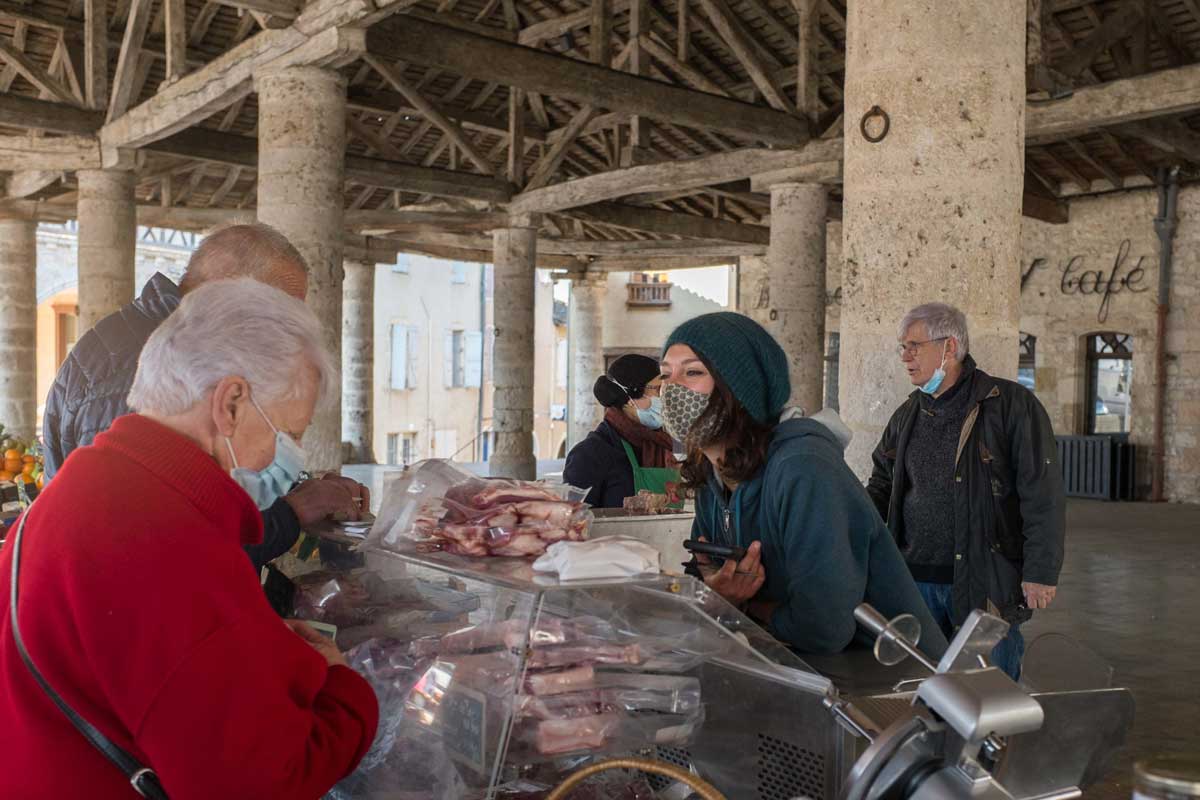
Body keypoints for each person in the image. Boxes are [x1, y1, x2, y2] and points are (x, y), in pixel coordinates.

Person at [0, 279, 378, 798]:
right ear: (231, 403)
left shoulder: (84, 483)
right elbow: (261, 784)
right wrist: (345, 689)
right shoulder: (173, 547)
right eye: (289, 433)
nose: (289, 456)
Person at [41, 223, 368, 572]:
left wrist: (295, 491)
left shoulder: (180, 343)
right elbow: (157, 553)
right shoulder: (137, 364)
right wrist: (291, 513)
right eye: (278, 315)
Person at [661, 312, 946, 659]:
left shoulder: (804, 467)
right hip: (807, 669)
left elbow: (824, 628)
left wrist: (744, 605)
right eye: (665, 375)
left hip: (893, 674)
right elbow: (706, 574)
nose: (672, 389)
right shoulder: (713, 476)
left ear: (740, 388)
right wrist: (717, 591)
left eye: (692, 372)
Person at [867, 303, 1066, 680]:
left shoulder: (1010, 406)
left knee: (984, 694)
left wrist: (1041, 570)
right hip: (916, 583)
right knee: (924, 693)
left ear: (950, 347)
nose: (905, 356)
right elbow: (881, 483)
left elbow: (1042, 495)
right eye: (903, 347)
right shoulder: (908, 414)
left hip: (983, 583)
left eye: (914, 346)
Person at [563, 354, 678, 508]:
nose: (664, 398)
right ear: (631, 396)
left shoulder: (667, 446)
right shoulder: (589, 454)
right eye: (658, 389)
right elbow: (575, 518)